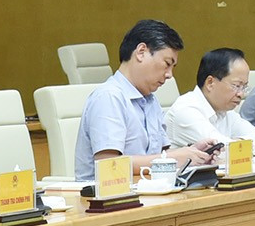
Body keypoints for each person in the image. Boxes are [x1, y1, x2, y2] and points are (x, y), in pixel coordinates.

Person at [72, 19, 214, 182]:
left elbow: (162, 156)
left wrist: (192, 154)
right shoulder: (109, 97)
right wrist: (174, 158)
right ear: (141, 52)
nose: (169, 75)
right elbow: (109, 164)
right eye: (167, 64)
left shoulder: (151, 101)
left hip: (149, 192)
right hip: (109, 200)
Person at [164, 48, 255, 149]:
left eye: (244, 87)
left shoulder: (225, 112)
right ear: (210, 83)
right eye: (236, 86)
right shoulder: (186, 110)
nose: (241, 94)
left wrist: (234, 143)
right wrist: (238, 144)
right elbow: (219, 149)